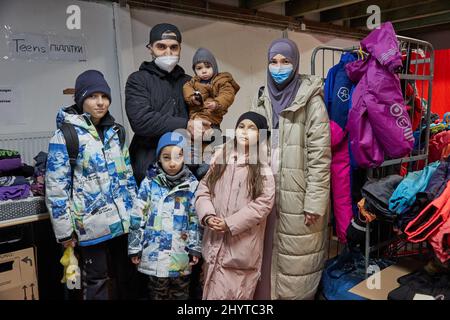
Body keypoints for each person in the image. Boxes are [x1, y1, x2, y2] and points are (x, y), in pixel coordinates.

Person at [45, 70, 138, 300]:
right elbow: (56, 189)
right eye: (92, 96)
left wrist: (137, 215)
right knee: (96, 283)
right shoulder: (65, 136)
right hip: (91, 228)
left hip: (123, 226)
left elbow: (128, 178)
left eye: (104, 96)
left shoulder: (117, 132)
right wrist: (65, 232)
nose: (100, 102)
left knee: (125, 280)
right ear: (81, 99)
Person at [252, 38, 331, 300]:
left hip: (298, 196)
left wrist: (315, 202)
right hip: (266, 191)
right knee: (266, 256)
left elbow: (321, 157)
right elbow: (251, 143)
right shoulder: (262, 97)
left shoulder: (312, 102)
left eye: (285, 61)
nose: (279, 66)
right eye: (273, 61)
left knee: (294, 261)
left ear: (295, 63)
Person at [195, 111, 275, 300]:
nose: (245, 132)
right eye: (241, 126)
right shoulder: (220, 159)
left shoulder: (263, 165)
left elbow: (264, 203)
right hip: (214, 245)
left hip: (240, 252)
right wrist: (207, 215)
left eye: (252, 128)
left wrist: (229, 223)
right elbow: (203, 189)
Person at [125, 23, 211, 186]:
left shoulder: (189, 82)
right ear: (150, 48)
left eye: (173, 47)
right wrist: (186, 124)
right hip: (149, 168)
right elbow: (141, 121)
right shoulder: (138, 80)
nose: (168, 52)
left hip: (186, 168)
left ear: (180, 48)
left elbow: (203, 117)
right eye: (161, 47)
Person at [128, 132, 202, 300]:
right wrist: (134, 247)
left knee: (180, 294)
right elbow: (137, 216)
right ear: (159, 158)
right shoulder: (149, 183)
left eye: (177, 156)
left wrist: (195, 247)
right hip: (154, 254)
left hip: (181, 253)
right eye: (166, 157)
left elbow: (195, 219)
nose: (172, 163)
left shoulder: (192, 185)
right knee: (157, 294)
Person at [183, 47, 240, 177]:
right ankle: (193, 160)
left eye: (207, 66)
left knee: (213, 139)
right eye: (199, 68)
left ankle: (208, 162)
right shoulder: (192, 82)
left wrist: (217, 103)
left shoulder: (222, 80)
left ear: (214, 66)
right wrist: (193, 98)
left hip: (211, 121)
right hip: (195, 120)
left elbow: (227, 94)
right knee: (191, 139)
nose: (203, 71)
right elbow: (186, 90)